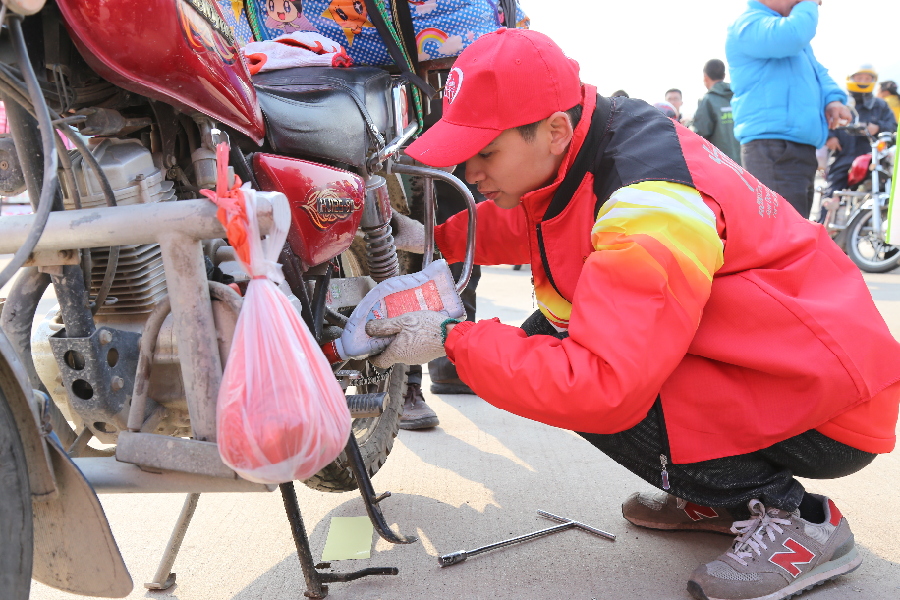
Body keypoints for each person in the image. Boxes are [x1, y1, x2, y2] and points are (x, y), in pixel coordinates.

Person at [366, 28, 900, 600]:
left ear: (553, 131)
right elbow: (546, 219)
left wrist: (451, 340)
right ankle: (719, 497)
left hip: (827, 403)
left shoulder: (649, 205)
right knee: (548, 340)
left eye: (486, 153)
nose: (471, 173)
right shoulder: (590, 137)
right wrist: (433, 237)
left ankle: (798, 520)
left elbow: (601, 384)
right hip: (782, 360)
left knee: (570, 369)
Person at [726, 0, 852, 219]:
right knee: (784, 236)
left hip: (793, 147)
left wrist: (833, 100)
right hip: (773, 147)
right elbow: (794, 35)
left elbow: (818, 71)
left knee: (795, 231)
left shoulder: (782, 33)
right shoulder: (748, 25)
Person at [823, 66, 896, 200]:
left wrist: (878, 127)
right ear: (851, 79)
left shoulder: (880, 105)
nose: (864, 81)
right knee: (831, 194)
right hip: (842, 155)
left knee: (880, 192)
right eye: (860, 78)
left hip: (872, 159)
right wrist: (829, 138)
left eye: (867, 78)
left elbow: (893, 126)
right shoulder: (840, 101)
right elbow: (825, 119)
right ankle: (825, 219)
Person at [692, 59, 741, 165]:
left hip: (721, 164)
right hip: (745, 163)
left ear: (705, 77)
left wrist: (688, 125)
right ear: (724, 75)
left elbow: (699, 134)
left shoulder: (707, 100)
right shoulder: (739, 96)